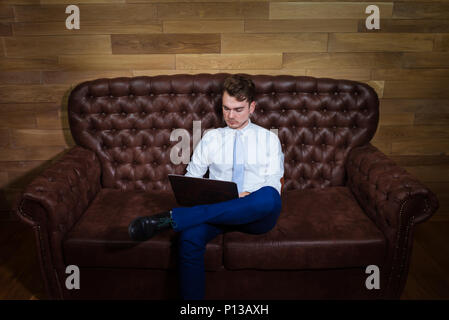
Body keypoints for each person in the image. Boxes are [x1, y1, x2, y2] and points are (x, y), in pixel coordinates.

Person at [128, 74, 285, 300]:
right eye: (226, 108)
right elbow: (193, 179)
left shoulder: (269, 139)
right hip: (218, 212)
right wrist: (211, 197)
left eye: (238, 109)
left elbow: (273, 182)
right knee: (188, 237)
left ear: (252, 107)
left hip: (255, 215)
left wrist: (245, 198)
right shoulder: (211, 138)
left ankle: (172, 218)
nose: (231, 116)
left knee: (269, 196)